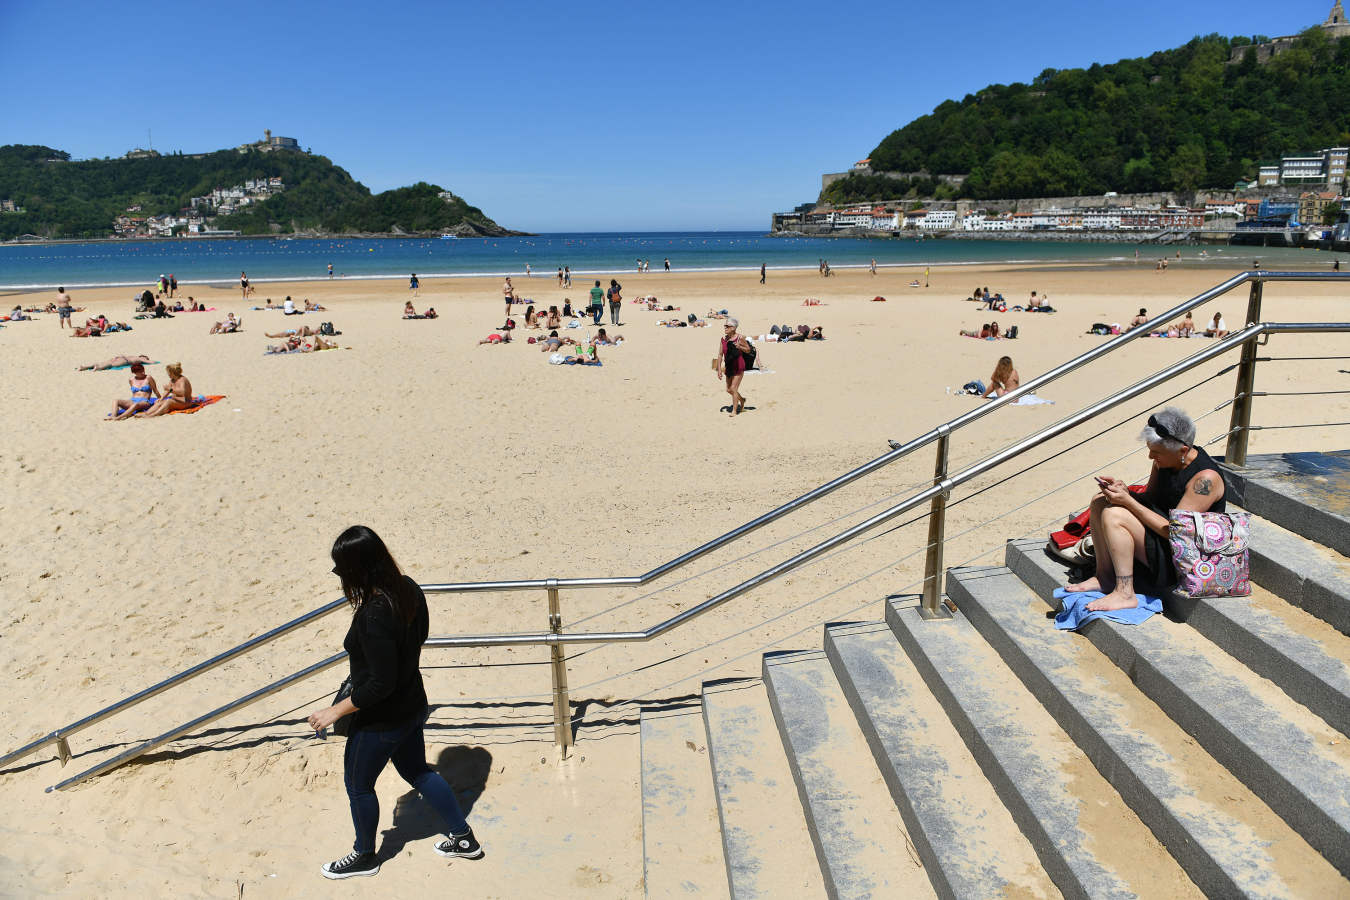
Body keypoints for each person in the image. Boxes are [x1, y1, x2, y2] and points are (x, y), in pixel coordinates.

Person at [307, 526, 483, 880]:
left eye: (342, 570)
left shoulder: (374, 614)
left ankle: (364, 856)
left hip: (380, 721)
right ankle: (464, 839)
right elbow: (419, 638)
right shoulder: (409, 588)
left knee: (358, 785)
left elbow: (378, 685)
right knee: (417, 771)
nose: (340, 577)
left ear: (358, 569)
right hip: (412, 704)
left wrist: (334, 711)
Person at [1067, 408, 1226, 611]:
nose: (1151, 456)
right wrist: (1125, 493)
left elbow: (1176, 532)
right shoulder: (1168, 461)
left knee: (1114, 515)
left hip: (1184, 556)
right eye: (1150, 449)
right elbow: (1149, 500)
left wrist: (1128, 502)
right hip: (1160, 536)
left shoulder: (1205, 480)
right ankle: (1104, 577)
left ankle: (1125, 593)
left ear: (1183, 451)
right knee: (1100, 502)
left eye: (1156, 452)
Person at [718, 318, 752, 416]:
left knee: (733, 388)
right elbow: (720, 354)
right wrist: (719, 369)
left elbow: (748, 350)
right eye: (725, 326)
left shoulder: (740, 338)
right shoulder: (724, 339)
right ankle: (742, 399)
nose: (725, 328)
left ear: (733, 328)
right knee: (729, 390)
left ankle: (734, 410)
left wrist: (740, 347)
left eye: (727, 326)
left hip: (738, 366)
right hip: (728, 366)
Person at [77, 354, 153, 371]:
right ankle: (98, 368)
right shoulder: (139, 358)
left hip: (119, 357)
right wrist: (155, 361)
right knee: (111, 364)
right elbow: (149, 362)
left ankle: (85, 367)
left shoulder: (133, 356)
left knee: (104, 362)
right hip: (124, 360)